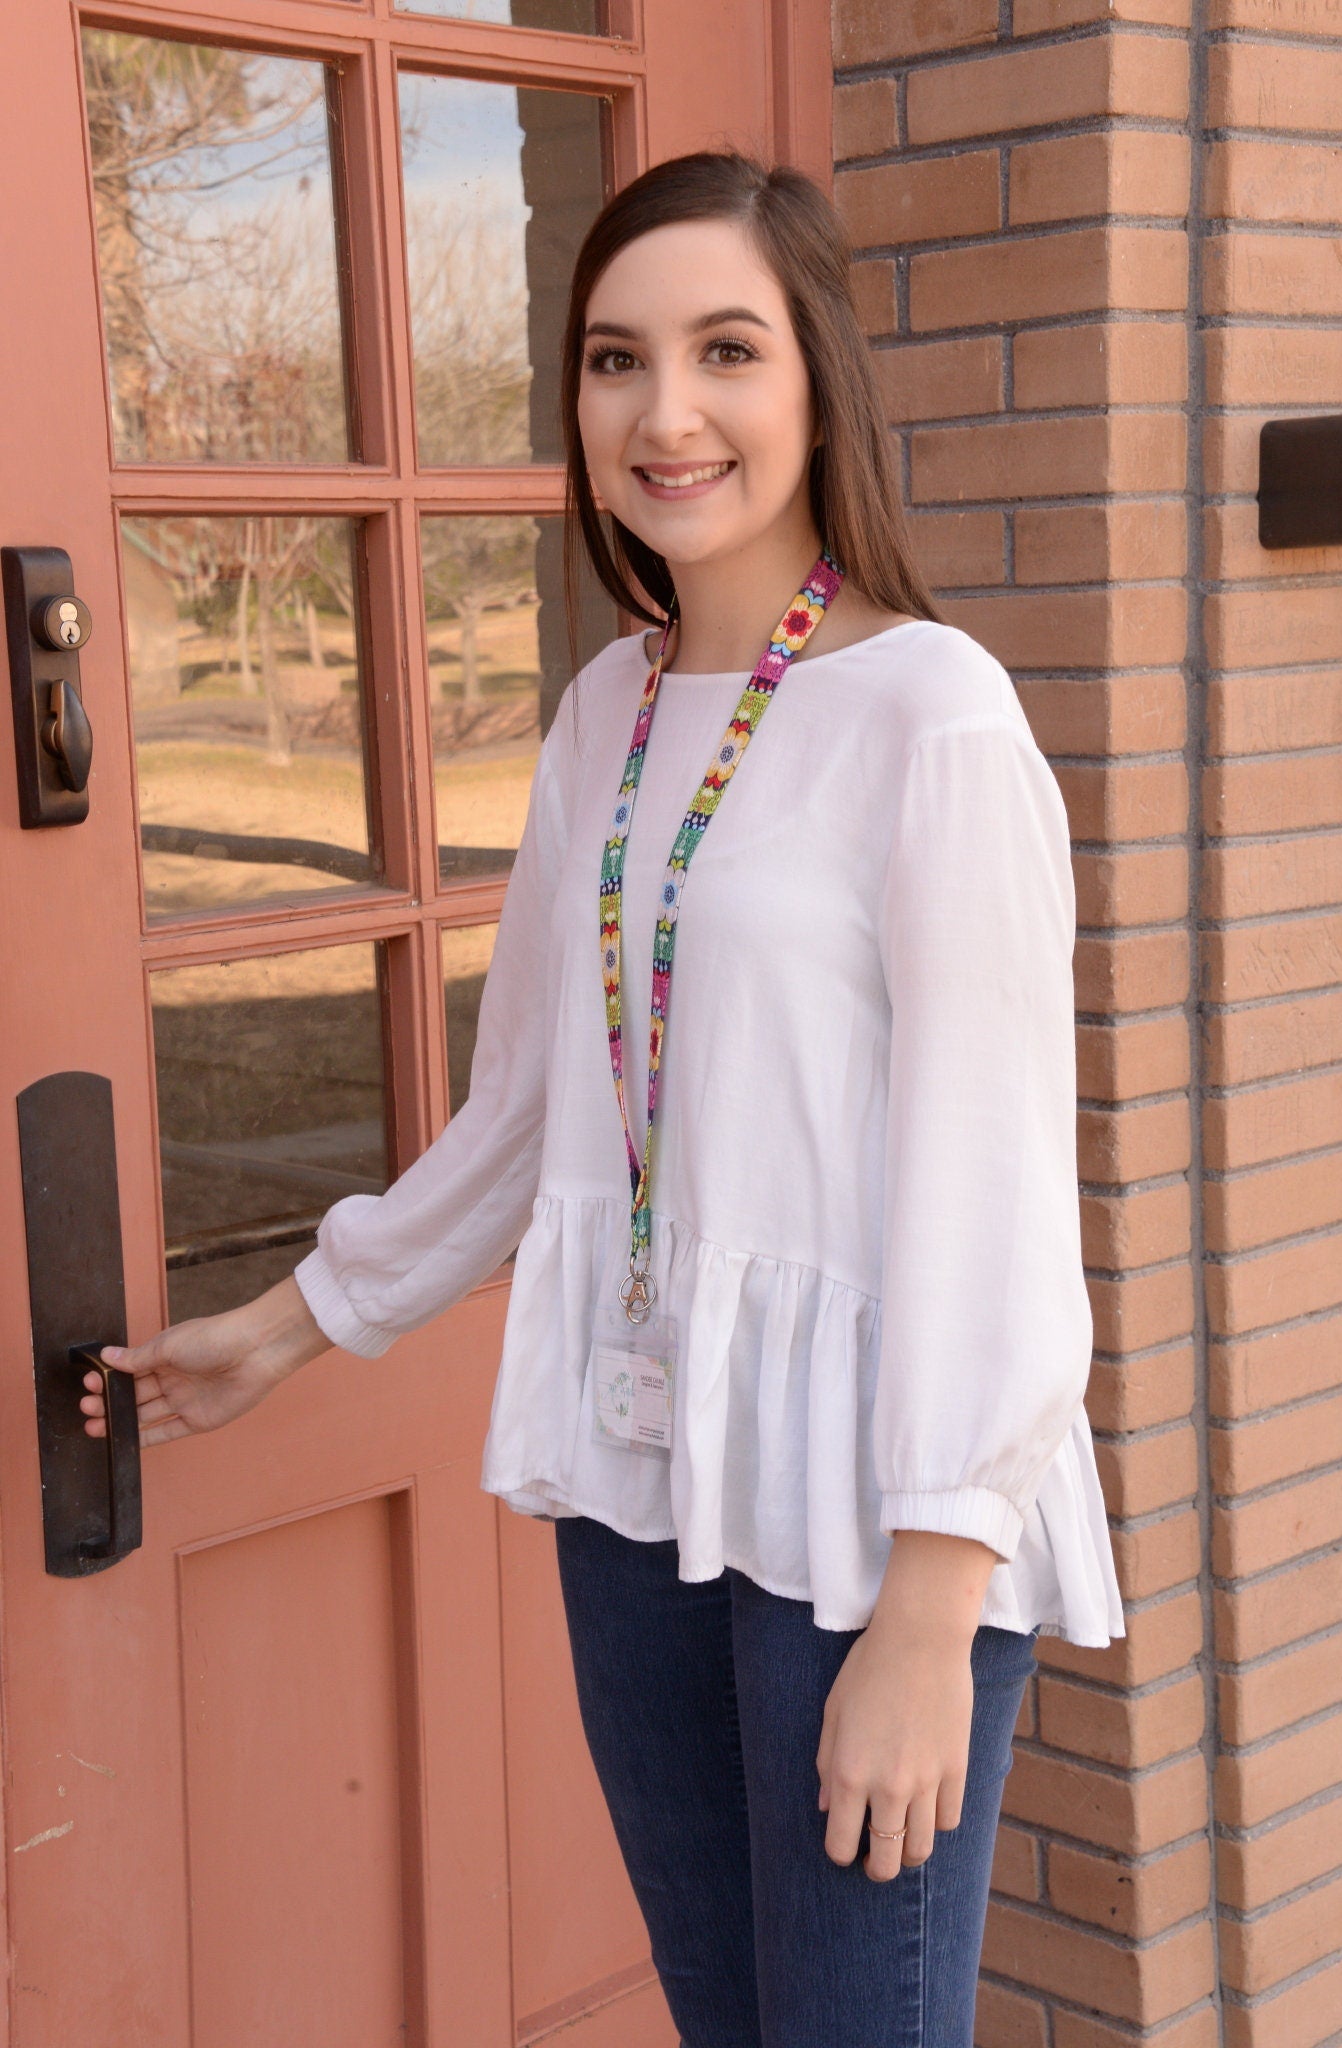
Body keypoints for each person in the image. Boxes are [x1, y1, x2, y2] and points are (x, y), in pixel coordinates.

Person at [83, 152, 1123, 2047]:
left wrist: (930, 1609)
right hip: (641, 1487)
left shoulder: (936, 716)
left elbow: (995, 1190)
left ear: (815, 380)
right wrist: (296, 1324)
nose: (667, 414)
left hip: (865, 1515)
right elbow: (533, 1114)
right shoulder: (603, 720)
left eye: (725, 349)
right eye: (614, 360)